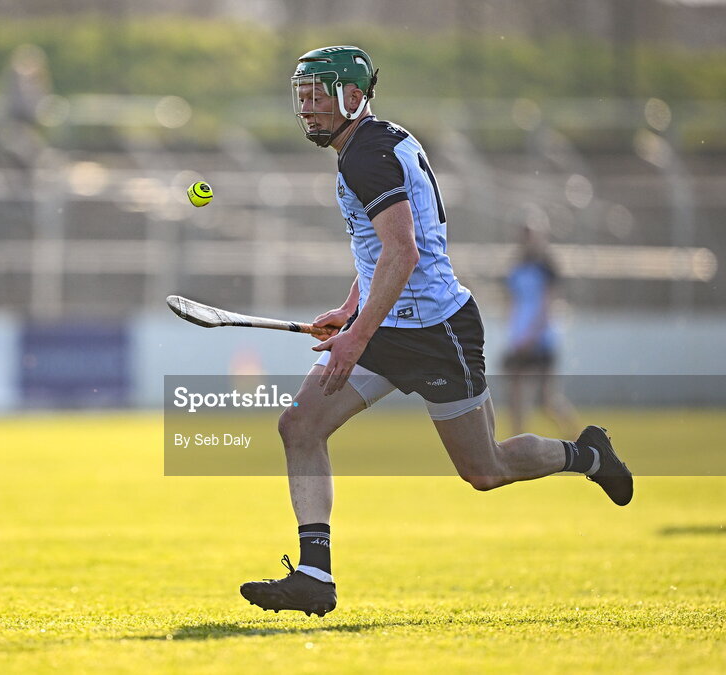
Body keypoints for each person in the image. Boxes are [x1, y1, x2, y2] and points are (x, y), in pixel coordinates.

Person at [239, 46, 632, 618]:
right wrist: (351, 310)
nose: (308, 108)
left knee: (484, 470)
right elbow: (378, 251)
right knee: (300, 424)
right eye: (302, 96)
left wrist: (354, 334)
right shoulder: (370, 142)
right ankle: (314, 575)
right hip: (387, 324)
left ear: (352, 95)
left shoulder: (364, 157)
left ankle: (587, 455)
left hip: (435, 329)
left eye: (319, 95)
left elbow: (404, 250)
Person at [503, 223, 580, 437]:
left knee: (547, 400)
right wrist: (514, 334)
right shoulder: (516, 266)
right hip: (519, 338)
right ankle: (517, 441)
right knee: (515, 395)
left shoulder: (546, 267)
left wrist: (532, 334)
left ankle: (579, 437)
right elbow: (511, 302)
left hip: (541, 338)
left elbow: (547, 304)